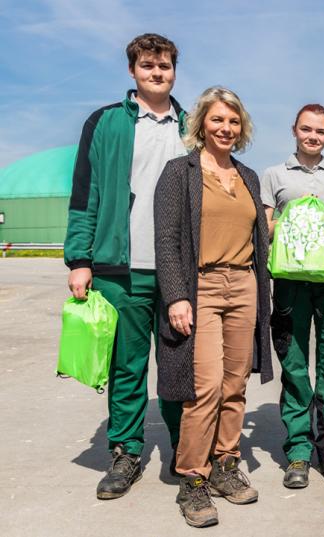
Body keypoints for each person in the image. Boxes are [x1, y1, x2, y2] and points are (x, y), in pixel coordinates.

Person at [63, 33, 186, 500]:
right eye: (148, 66)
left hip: (178, 271)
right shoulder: (107, 123)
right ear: (133, 70)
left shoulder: (190, 125)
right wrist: (79, 259)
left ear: (175, 70)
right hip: (122, 267)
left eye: (165, 66)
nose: (157, 73)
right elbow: (85, 193)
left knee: (178, 368)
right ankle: (126, 452)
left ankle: (184, 450)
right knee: (128, 367)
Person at [154, 86, 273, 527]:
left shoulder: (248, 176)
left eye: (233, 121)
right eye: (218, 119)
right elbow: (166, 239)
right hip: (199, 286)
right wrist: (176, 296)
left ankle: (226, 464)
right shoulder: (178, 173)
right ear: (202, 123)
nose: (226, 128)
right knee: (202, 388)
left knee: (235, 383)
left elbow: (258, 235)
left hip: (244, 284)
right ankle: (193, 479)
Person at [261, 104, 324, 489]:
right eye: (306, 129)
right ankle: (298, 448)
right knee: (294, 363)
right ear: (294, 130)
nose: (313, 136)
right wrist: (288, 225)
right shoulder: (274, 175)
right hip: (290, 281)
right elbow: (264, 225)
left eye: (320, 131)